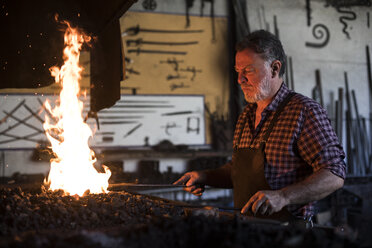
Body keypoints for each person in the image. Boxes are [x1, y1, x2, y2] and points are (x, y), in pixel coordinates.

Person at [174, 30, 346, 221]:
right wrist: (205, 176)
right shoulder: (247, 115)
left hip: (287, 235)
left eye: (248, 70)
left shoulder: (304, 111)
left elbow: (334, 173)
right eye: (238, 71)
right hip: (247, 231)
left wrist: (284, 196)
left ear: (274, 68)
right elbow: (238, 171)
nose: (240, 80)